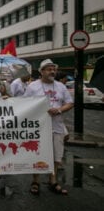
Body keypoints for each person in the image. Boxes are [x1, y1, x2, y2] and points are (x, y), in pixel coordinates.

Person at [24, 59, 73, 195]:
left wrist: (59, 110)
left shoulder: (61, 87)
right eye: (49, 69)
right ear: (41, 72)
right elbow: (24, 104)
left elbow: (69, 103)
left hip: (57, 126)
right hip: (38, 127)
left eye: (54, 69)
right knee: (38, 154)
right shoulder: (32, 86)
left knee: (57, 156)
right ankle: (36, 181)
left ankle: (53, 181)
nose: (52, 71)